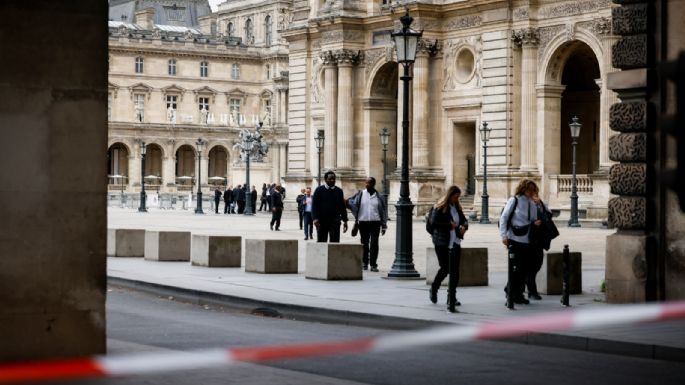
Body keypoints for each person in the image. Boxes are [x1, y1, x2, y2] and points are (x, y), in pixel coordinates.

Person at [499, 179, 542, 306]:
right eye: (529, 189)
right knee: (515, 269)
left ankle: (516, 292)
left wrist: (538, 210)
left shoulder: (533, 202)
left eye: (534, 190)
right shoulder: (515, 200)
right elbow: (504, 217)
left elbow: (534, 218)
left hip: (528, 239)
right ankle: (513, 293)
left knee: (524, 269)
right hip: (514, 238)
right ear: (523, 188)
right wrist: (503, 236)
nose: (531, 192)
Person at [429, 185, 468, 313]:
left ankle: (451, 297)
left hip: (455, 241)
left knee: (455, 271)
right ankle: (434, 288)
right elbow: (433, 223)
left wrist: (464, 227)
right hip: (442, 242)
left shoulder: (456, 207)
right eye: (455, 196)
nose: (457, 199)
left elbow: (464, 220)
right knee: (445, 268)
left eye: (458, 197)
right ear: (450, 195)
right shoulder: (439, 207)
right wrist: (448, 225)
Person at [348, 177, 388, 272]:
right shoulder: (361, 194)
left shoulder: (379, 196)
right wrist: (355, 214)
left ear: (373, 184)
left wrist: (384, 225)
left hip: (375, 222)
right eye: (366, 183)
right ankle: (364, 262)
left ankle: (373, 264)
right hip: (363, 222)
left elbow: (383, 211)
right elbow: (351, 202)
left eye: (369, 183)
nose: (367, 184)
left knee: (374, 243)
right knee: (364, 243)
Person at [526, 192, 557, 300]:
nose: (534, 197)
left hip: (539, 240)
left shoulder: (540, 204)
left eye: (535, 194)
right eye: (532, 194)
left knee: (537, 265)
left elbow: (549, 216)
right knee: (529, 268)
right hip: (527, 240)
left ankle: (511, 288)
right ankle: (532, 291)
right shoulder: (522, 204)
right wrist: (532, 224)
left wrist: (541, 204)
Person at [312, 171, 348, 242]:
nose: (333, 180)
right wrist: (315, 218)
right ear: (325, 180)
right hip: (321, 221)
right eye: (330, 179)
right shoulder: (319, 190)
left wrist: (345, 221)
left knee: (334, 243)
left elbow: (342, 207)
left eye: (334, 179)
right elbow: (314, 206)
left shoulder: (339, 191)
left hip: (335, 221)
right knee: (321, 242)